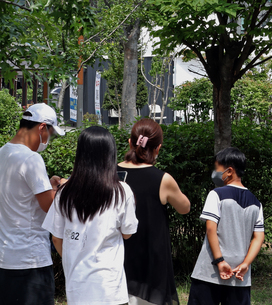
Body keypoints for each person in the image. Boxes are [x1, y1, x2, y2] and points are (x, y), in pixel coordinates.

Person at [42, 126, 138, 304]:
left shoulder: (65, 192)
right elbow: (127, 233)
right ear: (110, 155)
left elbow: (56, 238)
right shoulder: (122, 191)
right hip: (111, 289)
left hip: (78, 287)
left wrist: (74, 257)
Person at [119, 118, 192, 305]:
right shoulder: (163, 179)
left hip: (117, 258)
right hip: (151, 264)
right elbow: (185, 208)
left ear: (130, 143)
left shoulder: (110, 173)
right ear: (158, 148)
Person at [0, 103, 65, 305]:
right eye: (50, 134)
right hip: (30, 261)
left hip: (5, 257)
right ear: (41, 128)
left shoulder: (3, 153)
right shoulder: (31, 158)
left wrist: (50, 186)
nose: (48, 140)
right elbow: (50, 207)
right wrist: (65, 188)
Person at [188, 147, 265, 305]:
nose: (215, 173)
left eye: (217, 168)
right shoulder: (256, 203)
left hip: (209, 272)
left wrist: (220, 261)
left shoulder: (216, 194)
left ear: (229, 171)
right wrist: (245, 264)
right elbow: (259, 237)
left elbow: (211, 228)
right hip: (240, 276)